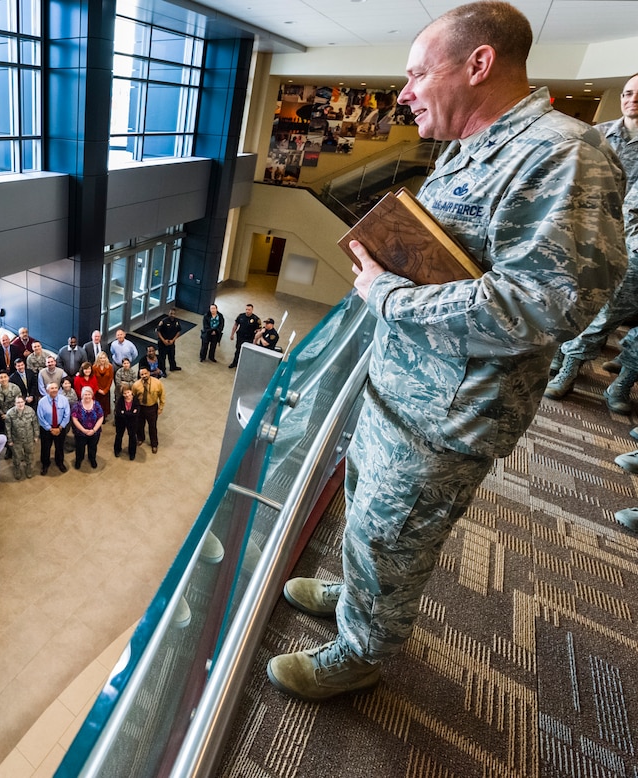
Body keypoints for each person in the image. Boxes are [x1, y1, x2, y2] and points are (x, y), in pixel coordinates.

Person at [267, 1, 626, 703]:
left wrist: (389, 298)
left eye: (416, 75)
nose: (403, 94)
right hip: (402, 388)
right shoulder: (469, 148)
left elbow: (546, 304)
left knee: (396, 537)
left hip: (450, 415)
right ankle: (356, 594)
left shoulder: (563, 157)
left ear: (479, 63)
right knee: (370, 518)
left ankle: (360, 654)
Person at [544, 71, 638, 409]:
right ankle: (563, 362)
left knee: (614, 315)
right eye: (627, 93)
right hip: (597, 238)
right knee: (586, 304)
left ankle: (597, 376)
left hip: (635, 243)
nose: (631, 100)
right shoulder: (598, 136)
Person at [37, 382, 70, 475]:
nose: (54, 390)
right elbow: (40, 417)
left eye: (56, 388)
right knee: (45, 448)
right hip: (46, 429)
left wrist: (60, 427)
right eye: (52, 388)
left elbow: (67, 415)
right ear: (47, 391)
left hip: (60, 427)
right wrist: (50, 429)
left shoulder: (64, 400)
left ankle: (59, 462)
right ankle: (45, 464)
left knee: (60, 447)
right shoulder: (42, 402)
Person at [132, 366, 165, 454]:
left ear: (149, 373)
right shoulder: (136, 385)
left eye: (146, 373)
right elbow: (133, 397)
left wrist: (161, 407)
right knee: (140, 425)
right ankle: (140, 438)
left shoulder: (157, 383)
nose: (144, 375)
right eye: (142, 374)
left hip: (152, 407)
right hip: (141, 407)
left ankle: (154, 444)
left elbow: (162, 395)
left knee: (152, 427)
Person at [5, 396, 38, 481]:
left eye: (22, 402)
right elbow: (8, 428)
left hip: (29, 438)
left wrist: (36, 436)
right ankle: (17, 469)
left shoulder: (30, 411)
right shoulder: (10, 413)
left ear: (24, 402)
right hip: (16, 439)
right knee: (17, 457)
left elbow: (35, 424)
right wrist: (9, 440)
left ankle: (29, 468)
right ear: (15, 403)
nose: (20, 404)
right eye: (18, 402)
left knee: (29, 455)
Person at [71, 386, 105, 470]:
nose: (87, 396)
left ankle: (92, 459)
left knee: (93, 447)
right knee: (80, 448)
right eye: (85, 394)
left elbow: (101, 417)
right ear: (82, 395)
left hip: (94, 432)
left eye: (89, 394)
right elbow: (74, 419)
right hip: (80, 433)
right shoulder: (77, 405)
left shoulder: (96, 404)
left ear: (92, 395)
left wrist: (94, 430)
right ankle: (79, 460)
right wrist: (83, 430)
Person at [228, 303, 262, 369]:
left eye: (249, 310)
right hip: (240, 336)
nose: (247, 311)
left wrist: (255, 341)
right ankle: (235, 363)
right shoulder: (241, 316)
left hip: (249, 338)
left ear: (252, 310)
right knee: (238, 350)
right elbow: (235, 325)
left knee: (246, 352)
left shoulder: (256, 319)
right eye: (246, 309)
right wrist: (232, 334)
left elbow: (259, 330)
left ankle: (242, 365)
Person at [155, 308, 184, 373]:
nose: (172, 315)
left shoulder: (176, 322)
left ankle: (173, 367)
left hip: (171, 342)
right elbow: (158, 331)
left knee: (172, 356)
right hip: (162, 343)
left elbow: (178, 331)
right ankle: (163, 370)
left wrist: (173, 340)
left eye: (174, 314)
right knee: (162, 357)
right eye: (171, 313)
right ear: (169, 313)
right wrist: (163, 340)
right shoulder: (163, 321)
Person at [91, 352, 115, 418]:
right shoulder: (94, 367)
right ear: (98, 359)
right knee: (98, 405)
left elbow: (110, 379)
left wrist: (106, 390)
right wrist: (98, 389)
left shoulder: (110, 367)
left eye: (104, 358)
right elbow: (93, 379)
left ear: (106, 358)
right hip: (97, 390)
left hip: (106, 390)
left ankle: (104, 417)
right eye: (101, 358)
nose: (102, 359)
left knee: (105, 405)